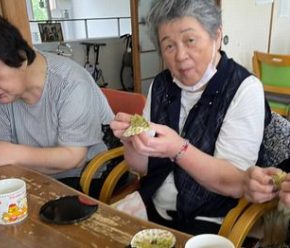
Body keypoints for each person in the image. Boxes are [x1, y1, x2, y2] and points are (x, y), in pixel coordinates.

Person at [110, 0, 269, 235]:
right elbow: (142, 165)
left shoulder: (244, 88)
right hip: (153, 206)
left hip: (211, 218)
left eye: (190, 40)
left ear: (216, 35)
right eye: (169, 46)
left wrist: (178, 148)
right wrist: (131, 139)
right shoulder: (161, 86)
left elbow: (234, 182)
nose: (181, 56)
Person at [0, 13, 114, 192]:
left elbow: (74, 158)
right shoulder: (0, 92)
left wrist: (11, 153)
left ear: (21, 58)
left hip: (87, 174)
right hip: (34, 175)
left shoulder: (70, 83)